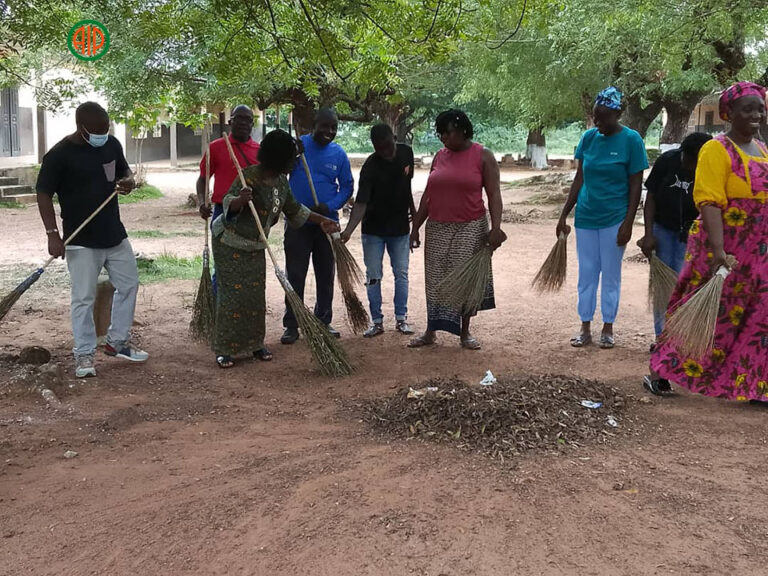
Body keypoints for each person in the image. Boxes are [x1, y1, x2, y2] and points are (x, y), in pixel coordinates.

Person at [646, 82, 768, 402]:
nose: (756, 114)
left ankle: (752, 384)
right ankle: (661, 370)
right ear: (728, 113)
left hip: (758, 250)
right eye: (748, 109)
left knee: (756, 314)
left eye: (760, 107)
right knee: (697, 308)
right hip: (722, 245)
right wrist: (718, 250)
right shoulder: (717, 149)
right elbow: (710, 202)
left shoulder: (765, 151)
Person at [36, 101, 148, 378]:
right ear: (81, 128)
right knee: (83, 298)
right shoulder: (59, 155)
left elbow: (125, 172)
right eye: (97, 131)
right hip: (80, 238)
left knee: (129, 284)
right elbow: (43, 193)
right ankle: (84, 354)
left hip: (114, 233)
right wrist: (53, 234)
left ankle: (117, 342)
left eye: (106, 129)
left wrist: (129, 182)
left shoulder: (111, 144)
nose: (103, 135)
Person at [211, 130, 340, 368]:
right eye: (291, 158)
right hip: (229, 243)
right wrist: (241, 199)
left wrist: (321, 220)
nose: (293, 163)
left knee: (254, 295)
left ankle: (255, 344)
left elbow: (295, 209)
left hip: (256, 245)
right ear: (279, 157)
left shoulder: (281, 182)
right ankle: (225, 349)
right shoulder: (248, 177)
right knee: (232, 296)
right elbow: (229, 204)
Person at [556, 87, 649, 349]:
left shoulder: (632, 140)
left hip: (614, 219)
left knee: (610, 275)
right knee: (586, 274)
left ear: (618, 114)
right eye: (596, 117)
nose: (598, 123)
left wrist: (628, 223)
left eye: (604, 117)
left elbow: (635, 185)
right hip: (586, 217)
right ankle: (585, 326)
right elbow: (579, 178)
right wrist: (564, 214)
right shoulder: (589, 138)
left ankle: (608, 326)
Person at [408, 109, 506, 350]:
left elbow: (494, 195)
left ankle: (465, 332)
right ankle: (431, 331)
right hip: (438, 228)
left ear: (462, 130)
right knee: (436, 280)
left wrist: (496, 228)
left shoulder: (483, 156)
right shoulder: (439, 157)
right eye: (440, 133)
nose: (443, 137)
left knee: (464, 279)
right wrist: (415, 227)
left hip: (470, 227)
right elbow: (429, 197)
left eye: (447, 132)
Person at [281, 108, 354, 344]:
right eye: (325, 126)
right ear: (314, 125)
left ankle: (323, 321)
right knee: (295, 274)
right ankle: (292, 324)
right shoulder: (298, 146)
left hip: (327, 223)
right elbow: (281, 171)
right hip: (299, 220)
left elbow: (347, 186)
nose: (329, 132)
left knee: (325, 274)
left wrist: (330, 204)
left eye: (333, 128)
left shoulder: (338, 154)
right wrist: (291, 157)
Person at [341, 124, 416, 338]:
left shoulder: (406, 152)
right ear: (374, 147)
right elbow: (361, 204)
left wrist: (414, 216)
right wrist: (348, 231)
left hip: (400, 228)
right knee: (373, 275)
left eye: (388, 146)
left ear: (394, 137)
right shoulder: (370, 168)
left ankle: (401, 318)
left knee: (401, 273)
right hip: (373, 230)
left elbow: (407, 186)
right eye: (379, 148)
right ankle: (377, 321)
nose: (385, 152)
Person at [640, 132, 712, 345]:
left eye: (693, 162)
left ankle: (682, 339)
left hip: (693, 234)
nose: (688, 165)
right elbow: (650, 197)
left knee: (687, 285)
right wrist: (648, 233)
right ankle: (662, 338)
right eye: (686, 159)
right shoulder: (667, 161)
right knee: (663, 288)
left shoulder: (710, 168)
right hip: (662, 230)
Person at [196, 105, 259, 292]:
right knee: (223, 265)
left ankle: (241, 308)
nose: (243, 123)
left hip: (250, 213)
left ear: (252, 123)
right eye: (238, 118)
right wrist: (201, 203)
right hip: (221, 213)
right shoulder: (215, 147)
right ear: (230, 121)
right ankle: (217, 308)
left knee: (248, 265)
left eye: (247, 119)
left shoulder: (259, 151)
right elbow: (202, 180)